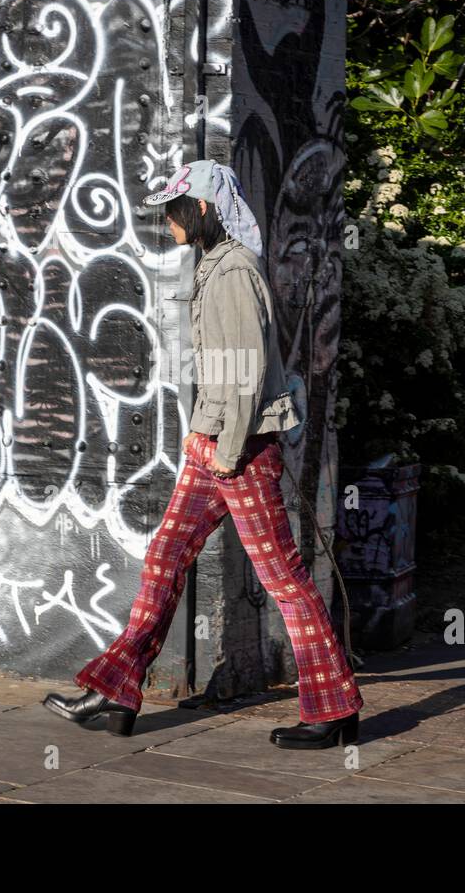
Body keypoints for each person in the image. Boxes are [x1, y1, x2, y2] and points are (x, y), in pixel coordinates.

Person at [43, 159, 364, 749]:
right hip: (213, 447)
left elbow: (244, 372)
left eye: (174, 209)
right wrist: (201, 431)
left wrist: (228, 446)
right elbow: (218, 374)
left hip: (237, 452)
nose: (166, 221)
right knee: (164, 559)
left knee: (284, 580)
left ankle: (334, 707)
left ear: (205, 209)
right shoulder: (214, 265)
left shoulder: (235, 271)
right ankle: (116, 690)